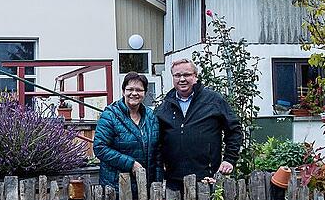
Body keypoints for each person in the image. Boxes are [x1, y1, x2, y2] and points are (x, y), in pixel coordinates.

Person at [156, 58, 242, 191]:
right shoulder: (165, 107)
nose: (182, 79)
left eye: (187, 75)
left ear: (195, 76)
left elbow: (234, 130)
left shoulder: (213, 100)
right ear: (173, 77)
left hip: (206, 179)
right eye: (177, 75)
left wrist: (229, 159)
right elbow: (157, 140)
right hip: (174, 182)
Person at [93, 72, 162, 190]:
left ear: (144, 93)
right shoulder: (110, 115)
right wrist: (131, 164)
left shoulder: (151, 117)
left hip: (146, 186)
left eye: (139, 90)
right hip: (118, 186)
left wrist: (157, 183)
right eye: (130, 89)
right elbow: (100, 148)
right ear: (123, 91)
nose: (134, 93)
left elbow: (157, 153)